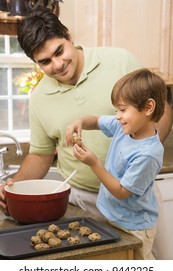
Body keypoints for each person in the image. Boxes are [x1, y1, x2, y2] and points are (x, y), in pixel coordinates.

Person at [0, 7, 172, 219]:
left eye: (59, 51)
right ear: (35, 63)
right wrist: (14, 186)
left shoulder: (120, 60)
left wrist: (145, 158)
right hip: (83, 202)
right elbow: (40, 155)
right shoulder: (39, 98)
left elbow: (161, 110)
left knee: (152, 253)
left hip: (139, 195)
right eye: (45, 61)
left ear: (68, 37)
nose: (58, 64)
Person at [66, 68, 167, 259]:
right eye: (116, 111)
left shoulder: (148, 154)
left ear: (148, 108)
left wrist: (93, 162)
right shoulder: (125, 128)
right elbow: (95, 121)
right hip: (114, 218)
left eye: (122, 110)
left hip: (135, 227)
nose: (118, 116)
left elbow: (121, 192)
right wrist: (79, 121)